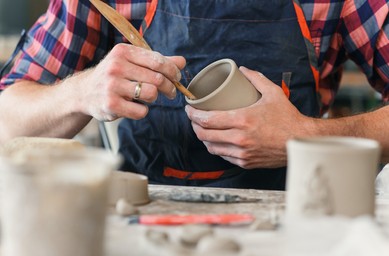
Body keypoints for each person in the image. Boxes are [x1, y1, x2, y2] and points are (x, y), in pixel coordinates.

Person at [0, 0, 388, 190]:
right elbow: (6, 121)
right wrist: (82, 91)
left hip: (291, 215)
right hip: (143, 212)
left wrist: (305, 139)